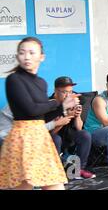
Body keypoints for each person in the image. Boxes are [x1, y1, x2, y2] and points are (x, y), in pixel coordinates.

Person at [0, 37, 79, 190]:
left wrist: (63, 108)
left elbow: (40, 116)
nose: (27, 56)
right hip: (22, 139)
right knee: (24, 185)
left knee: (55, 184)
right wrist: (58, 104)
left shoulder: (41, 82)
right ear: (17, 57)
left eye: (31, 52)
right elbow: (31, 110)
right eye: (22, 53)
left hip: (40, 138)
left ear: (41, 57)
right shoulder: (14, 79)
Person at [45, 76, 95, 179]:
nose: (68, 95)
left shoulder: (73, 100)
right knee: (56, 139)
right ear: (55, 91)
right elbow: (49, 132)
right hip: (53, 140)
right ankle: (57, 172)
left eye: (70, 92)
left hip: (69, 137)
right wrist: (65, 117)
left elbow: (79, 127)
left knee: (85, 135)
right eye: (64, 92)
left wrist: (76, 116)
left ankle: (80, 169)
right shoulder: (48, 104)